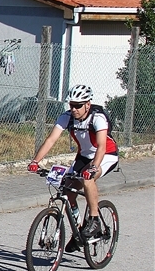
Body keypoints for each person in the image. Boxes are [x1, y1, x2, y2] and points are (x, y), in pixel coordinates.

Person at [27, 84, 118, 251]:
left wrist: (94, 167)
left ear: (87, 104)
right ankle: (78, 232)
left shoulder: (97, 118)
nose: (74, 109)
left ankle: (94, 220)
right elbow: (51, 140)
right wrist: (35, 161)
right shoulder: (67, 117)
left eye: (78, 105)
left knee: (87, 179)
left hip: (105, 156)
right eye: (71, 105)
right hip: (84, 157)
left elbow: (102, 146)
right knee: (67, 189)